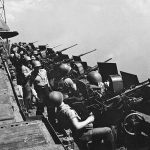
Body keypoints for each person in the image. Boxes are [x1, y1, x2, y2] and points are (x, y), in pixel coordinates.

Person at [48, 91, 116, 150]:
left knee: (98, 126)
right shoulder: (68, 111)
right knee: (108, 130)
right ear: (62, 97)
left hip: (73, 133)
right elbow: (77, 126)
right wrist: (89, 119)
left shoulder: (58, 110)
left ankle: (96, 146)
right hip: (80, 135)